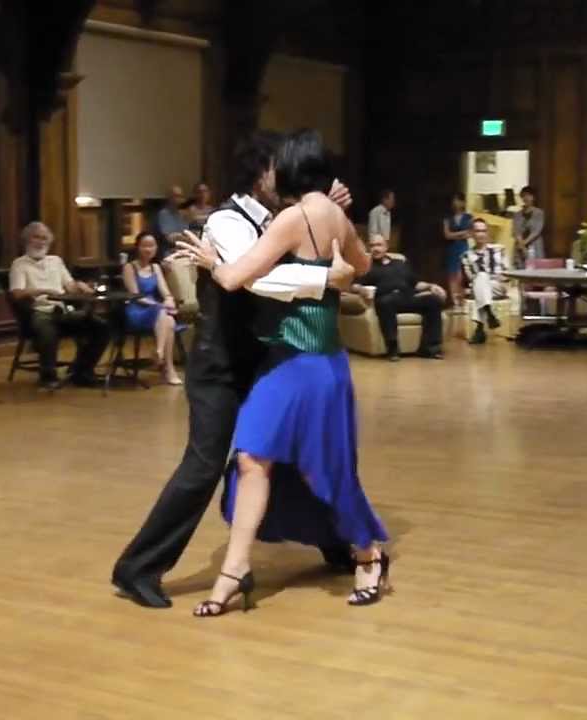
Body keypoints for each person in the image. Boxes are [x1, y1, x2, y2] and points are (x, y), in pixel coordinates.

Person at [110, 130, 357, 609]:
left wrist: (325, 209)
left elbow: (305, 248)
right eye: (282, 168)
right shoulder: (227, 221)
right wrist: (325, 276)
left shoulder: (283, 217)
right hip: (219, 366)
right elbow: (258, 278)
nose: (290, 176)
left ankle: (337, 544)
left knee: (296, 455)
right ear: (261, 174)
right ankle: (137, 568)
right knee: (204, 466)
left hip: (263, 360)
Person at [177, 129, 389, 616]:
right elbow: (360, 266)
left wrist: (213, 261)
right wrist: (333, 271)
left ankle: (368, 553)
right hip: (299, 363)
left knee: (324, 468)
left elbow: (236, 277)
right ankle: (235, 570)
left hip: (305, 364)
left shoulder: (294, 218)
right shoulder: (334, 215)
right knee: (253, 457)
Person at [8, 222, 110, 391]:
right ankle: (48, 376)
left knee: (101, 327)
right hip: (39, 311)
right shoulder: (19, 264)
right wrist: (43, 290)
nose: (40, 242)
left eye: (44, 238)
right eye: (36, 237)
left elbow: (70, 286)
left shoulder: (56, 261)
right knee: (47, 329)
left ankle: (82, 370)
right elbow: (17, 293)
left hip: (63, 310)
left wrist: (82, 286)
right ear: (27, 240)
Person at [356, 235, 446, 361]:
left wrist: (431, 286)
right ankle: (393, 349)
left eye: (379, 245)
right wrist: (361, 289)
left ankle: (431, 348)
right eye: (372, 246)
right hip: (386, 299)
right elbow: (354, 285)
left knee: (433, 301)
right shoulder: (366, 266)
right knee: (386, 302)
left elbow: (415, 283)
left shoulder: (400, 263)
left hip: (408, 297)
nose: (375, 249)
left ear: (386, 247)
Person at [122, 231, 182, 386]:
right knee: (164, 314)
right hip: (137, 309)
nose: (148, 249)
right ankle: (166, 366)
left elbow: (165, 292)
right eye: (145, 246)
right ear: (138, 247)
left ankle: (161, 356)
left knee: (169, 320)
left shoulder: (156, 267)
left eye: (152, 246)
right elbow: (136, 296)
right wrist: (159, 305)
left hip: (156, 311)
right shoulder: (129, 267)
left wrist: (169, 299)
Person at [462, 218, 506, 344]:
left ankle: (480, 329)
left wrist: (501, 278)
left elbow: (507, 272)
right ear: (472, 234)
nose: (481, 234)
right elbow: (470, 277)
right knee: (481, 277)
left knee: (481, 281)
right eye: (477, 231)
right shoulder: (467, 255)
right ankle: (489, 313)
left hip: (496, 286)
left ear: (487, 233)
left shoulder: (499, 250)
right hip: (478, 286)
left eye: (483, 231)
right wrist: (483, 278)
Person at [441, 192, 473, 306]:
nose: (455, 203)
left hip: (463, 247)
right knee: (452, 274)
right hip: (451, 248)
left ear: (463, 202)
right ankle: (454, 301)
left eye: (458, 200)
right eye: (454, 200)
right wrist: (461, 233)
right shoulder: (448, 218)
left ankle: (462, 300)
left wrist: (455, 234)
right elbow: (447, 235)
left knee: (462, 274)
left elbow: (470, 233)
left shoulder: (469, 217)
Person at [511, 185, 545, 268]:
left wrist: (524, 243)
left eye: (528, 195)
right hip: (520, 247)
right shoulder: (517, 214)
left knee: (536, 268)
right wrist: (522, 246)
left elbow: (536, 231)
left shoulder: (539, 213)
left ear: (533, 197)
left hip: (535, 245)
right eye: (524, 195)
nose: (526, 198)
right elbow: (516, 231)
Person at [156, 185, 190, 257]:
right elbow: (170, 239)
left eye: (180, 196)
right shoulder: (163, 214)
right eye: (176, 196)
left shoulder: (183, 214)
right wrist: (183, 237)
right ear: (169, 197)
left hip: (184, 251)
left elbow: (188, 235)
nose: (179, 199)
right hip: (169, 252)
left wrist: (180, 236)